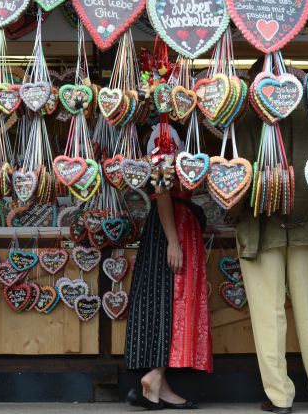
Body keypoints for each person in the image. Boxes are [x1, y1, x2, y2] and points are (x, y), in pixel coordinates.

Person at [234, 63, 308, 413]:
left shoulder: (245, 118)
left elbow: (233, 178)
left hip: (260, 228)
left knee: (268, 316)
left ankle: (280, 397)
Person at [125, 123, 212, 410]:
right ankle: (153, 376)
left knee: (170, 303)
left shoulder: (171, 129)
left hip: (176, 226)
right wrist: (173, 241)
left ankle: (158, 385)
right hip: (172, 228)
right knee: (174, 302)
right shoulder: (164, 132)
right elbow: (162, 191)